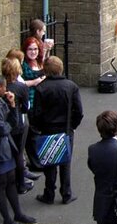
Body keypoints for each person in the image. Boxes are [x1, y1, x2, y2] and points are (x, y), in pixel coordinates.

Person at [0, 75, 36, 224]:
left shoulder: (0, 101)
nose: (7, 90)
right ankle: (7, 219)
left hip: (6, 148)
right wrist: (8, 121)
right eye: (5, 87)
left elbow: (13, 121)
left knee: (11, 180)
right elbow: (3, 129)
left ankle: (18, 213)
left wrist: (11, 104)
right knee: (1, 183)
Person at [32, 56, 84, 205]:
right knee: (65, 162)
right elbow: (78, 111)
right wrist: (73, 125)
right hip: (66, 129)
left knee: (49, 162)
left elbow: (36, 113)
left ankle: (49, 194)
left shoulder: (41, 88)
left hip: (48, 129)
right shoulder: (71, 86)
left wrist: (39, 128)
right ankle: (66, 193)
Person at [1, 57, 34, 195]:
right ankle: (21, 184)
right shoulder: (21, 87)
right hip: (18, 123)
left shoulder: (2, 87)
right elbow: (26, 108)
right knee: (19, 154)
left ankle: (11, 183)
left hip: (4, 124)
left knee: (9, 153)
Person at [21, 36, 46, 108]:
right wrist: (35, 81)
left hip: (44, 97)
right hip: (32, 99)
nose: (33, 52)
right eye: (30, 49)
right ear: (25, 50)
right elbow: (19, 83)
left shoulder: (39, 61)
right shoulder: (23, 64)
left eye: (35, 49)